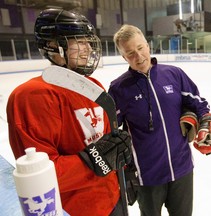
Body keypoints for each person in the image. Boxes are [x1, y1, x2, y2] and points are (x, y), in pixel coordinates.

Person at [6, 9, 132, 216]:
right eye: (80, 41)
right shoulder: (32, 96)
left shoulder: (93, 86)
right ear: (54, 45)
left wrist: (124, 174)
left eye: (88, 42)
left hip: (113, 199)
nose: (88, 49)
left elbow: (110, 144)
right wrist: (93, 161)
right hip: (76, 210)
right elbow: (38, 177)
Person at [108, 24, 211, 216]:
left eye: (140, 48)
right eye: (130, 53)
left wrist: (207, 121)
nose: (139, 56)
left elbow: (198, 103)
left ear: (148, 45)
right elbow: (108, 129)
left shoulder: (174, 74)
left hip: (182, 169)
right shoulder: (119, 88)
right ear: (123, 57)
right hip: (147, 176)